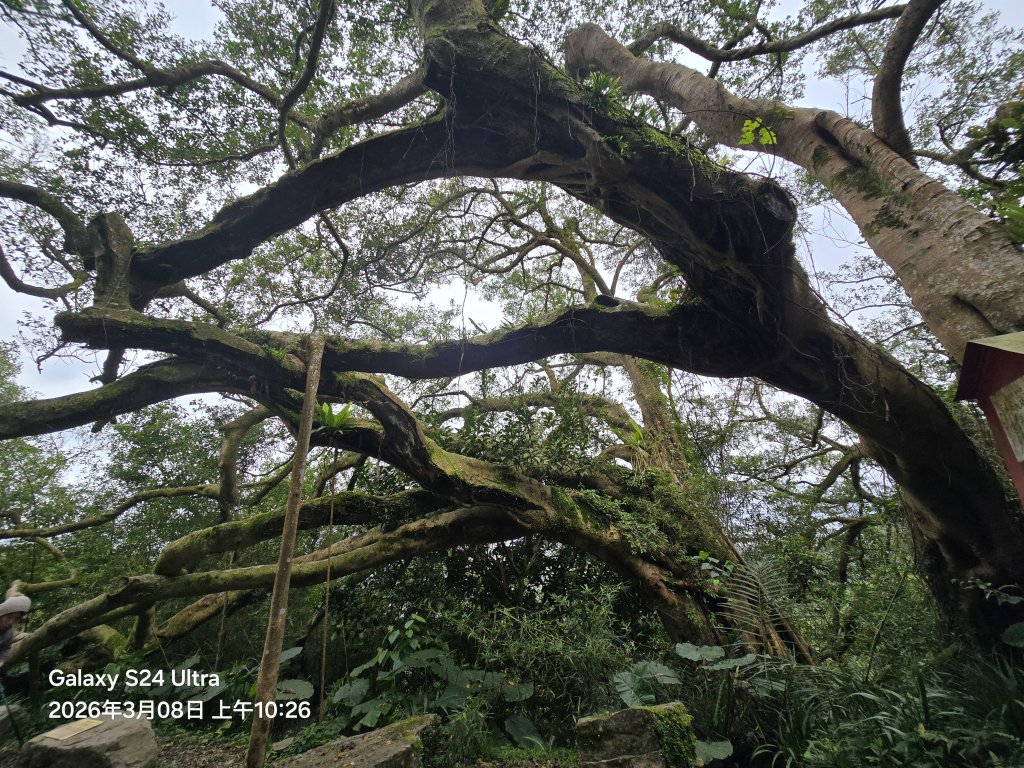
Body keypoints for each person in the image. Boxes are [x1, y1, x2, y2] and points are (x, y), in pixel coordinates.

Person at [0, 595, 30, 670]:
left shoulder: (7, 632)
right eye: (9, 617)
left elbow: (5, 649)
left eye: (15, 618)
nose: (10, 621)